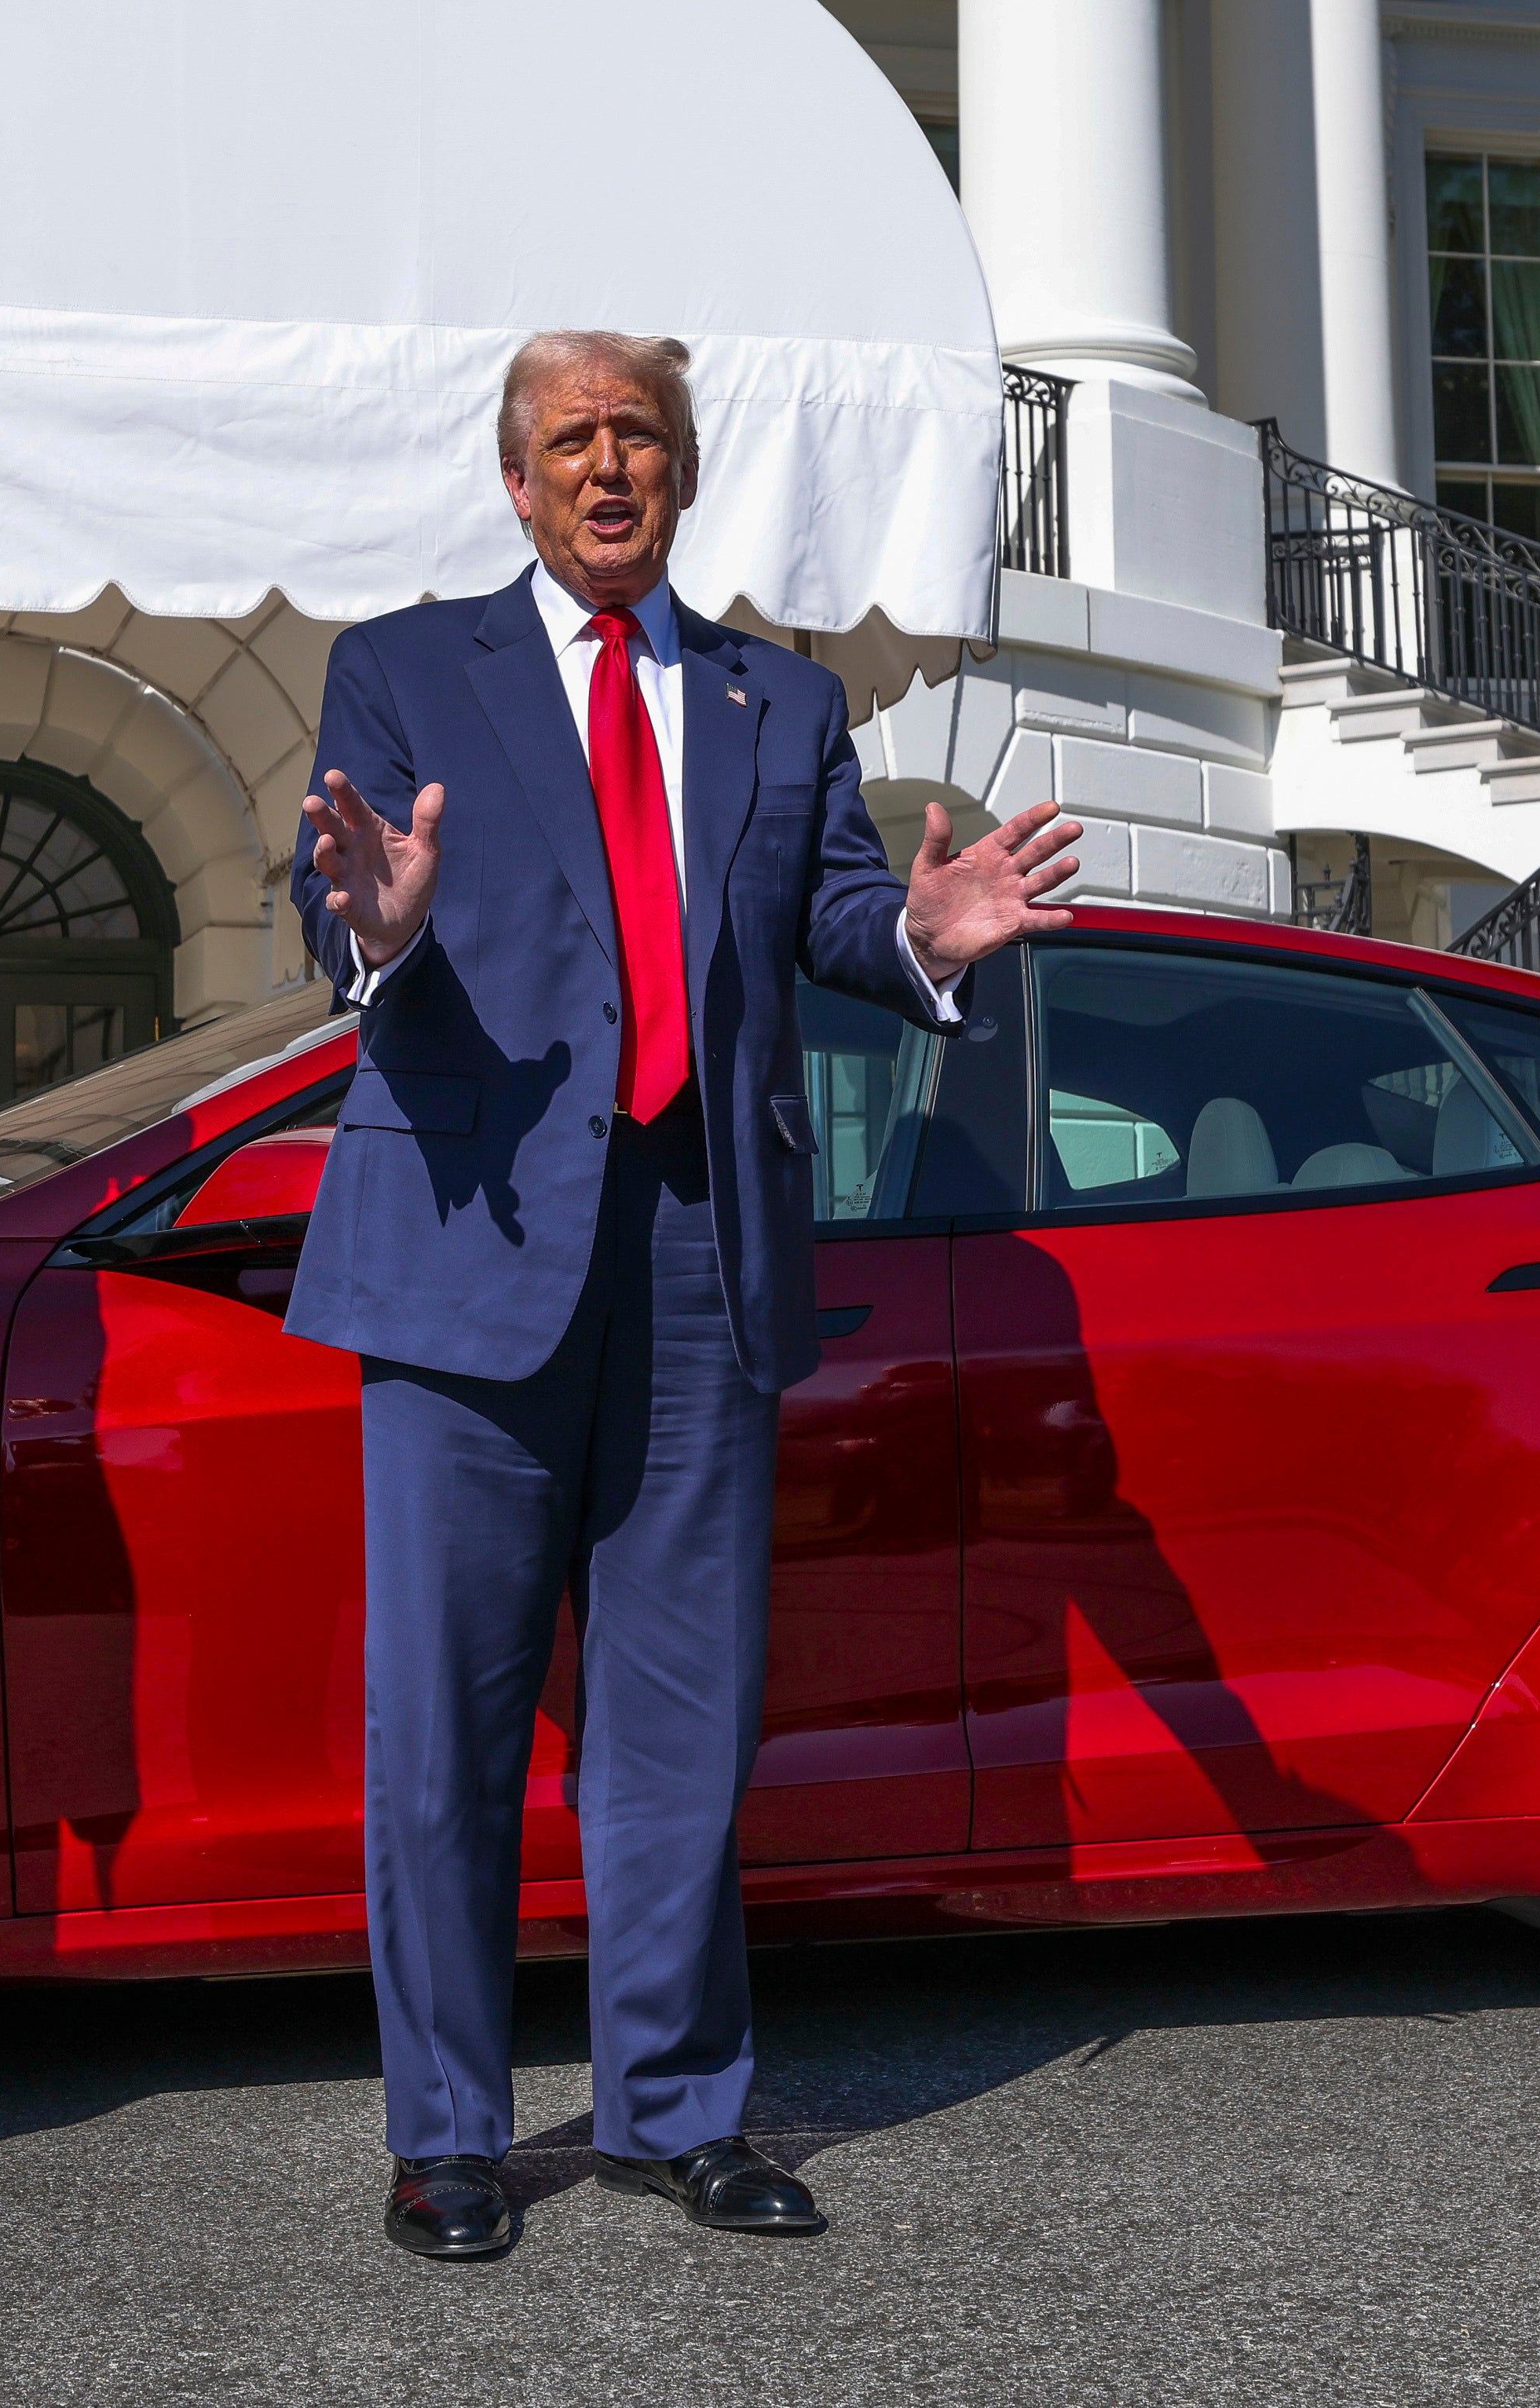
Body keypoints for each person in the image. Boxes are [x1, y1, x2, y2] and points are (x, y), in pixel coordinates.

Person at [289, 331, 1082, 2261]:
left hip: (699, 1255)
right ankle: (451, 2133)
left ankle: (673, 2110)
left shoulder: (774, 697)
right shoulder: (405, 668)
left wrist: (916, 933)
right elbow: (332, 897)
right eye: (570, 440)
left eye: (638, 435)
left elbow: (822, 913)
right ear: (514, 479)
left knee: (681, 1724)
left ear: (685, 469)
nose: (607, 466)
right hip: (473, 1255)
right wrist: (373, 932)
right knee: (447, 1731)